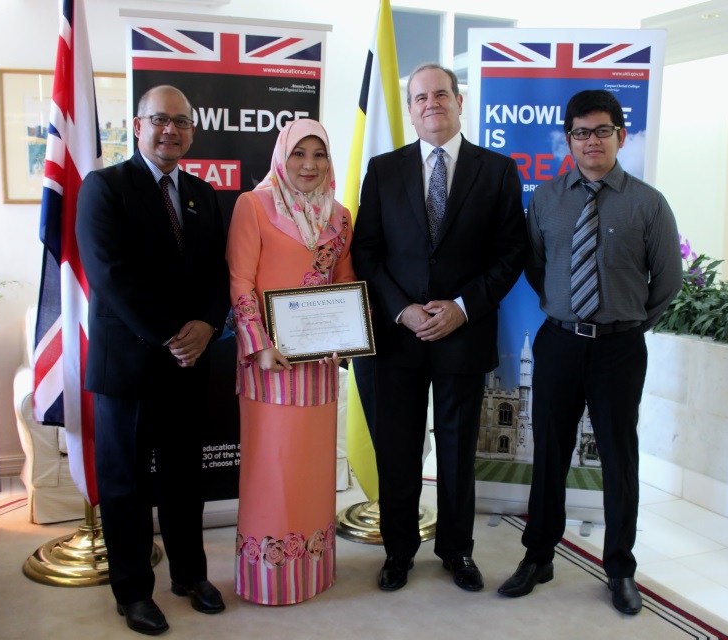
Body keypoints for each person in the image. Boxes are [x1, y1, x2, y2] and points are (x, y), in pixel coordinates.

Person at [497, 89, 681, 615]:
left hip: (620, 348)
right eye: (581, 132)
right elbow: (536, 265)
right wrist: (566, 310)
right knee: (549, 453)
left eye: (602, 130)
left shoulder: (648, 203)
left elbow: (667, 282)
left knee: (619, 460)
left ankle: (620, 568)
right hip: (558, 342)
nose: (591, 141)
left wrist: (625, 323)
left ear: (620, 136)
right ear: (569, 139)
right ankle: (538, 556)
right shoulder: (548, 199)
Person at [352, 63, 527, 593]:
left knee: (456, 452)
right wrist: (403, 309)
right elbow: (366, 251)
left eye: (442, 94)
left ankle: (457, 552)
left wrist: (462, 307)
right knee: (398, 451)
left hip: (463, 336)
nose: (432, 103)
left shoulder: (497, 170)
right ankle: (398, 552)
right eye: (420, 96)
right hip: (397, 338)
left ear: (459, 101)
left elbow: (511, 252)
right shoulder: (384, 170)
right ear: (410, 109)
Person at [76, 85, 230, 635]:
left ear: (192, 131)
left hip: (190, 363)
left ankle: (190, 575)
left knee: (186, 478)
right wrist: (172, 334)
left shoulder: (202, 193)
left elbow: (219, 272)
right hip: (131, 366)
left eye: (181, 122)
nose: (171, 131)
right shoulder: (105, 187)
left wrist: (210, 324)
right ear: (137, 125)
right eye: (160, 120)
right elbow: (110, 276)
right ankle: (133, 591)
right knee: (127, 485)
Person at [227, 118, 353, 605]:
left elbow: (344, 283)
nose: (309, 164)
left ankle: (313, 573)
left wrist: (347, 333)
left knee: (313, 469)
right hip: (267, 365)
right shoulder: (253, 206)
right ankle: (267, 578)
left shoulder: (339, 216)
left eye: (319, 154)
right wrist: (258, 343)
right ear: (282, 155)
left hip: (318, 366)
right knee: (271, 469)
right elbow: (241, 281)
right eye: (299, 153)